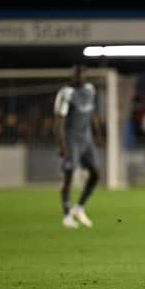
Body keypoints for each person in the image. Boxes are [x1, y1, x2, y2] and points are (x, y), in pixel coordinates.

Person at [53, 65, 101, 229]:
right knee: (68, 176)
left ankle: (79, 208)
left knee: (95, 174)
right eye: (76, 74)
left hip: (86, 138)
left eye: (81, 74)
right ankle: (66, 215)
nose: (78, 77)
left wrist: (98, 134)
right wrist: (61, 144)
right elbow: (59, 121)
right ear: (72, 76)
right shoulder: (66, 93)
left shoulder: (90, 89)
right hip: (71, 139)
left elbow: (92, 113)